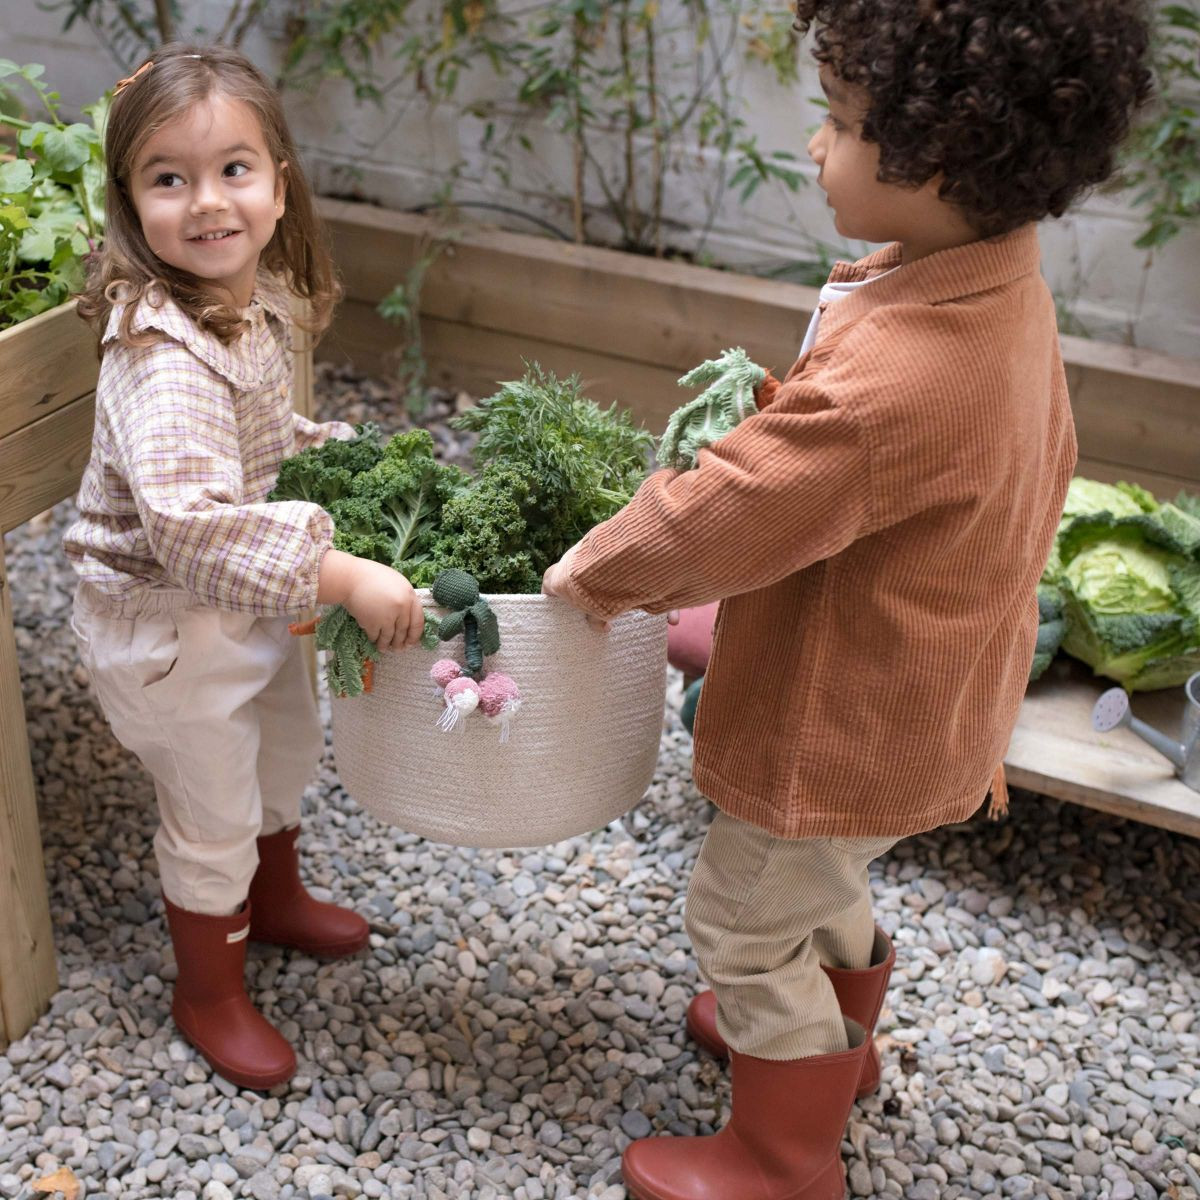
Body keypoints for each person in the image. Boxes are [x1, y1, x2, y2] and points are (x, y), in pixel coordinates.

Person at [542, 1, 1153, 1196]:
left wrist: (597, 571)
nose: (817, 146)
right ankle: (830, 1045)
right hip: (926, 699)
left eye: (842, 120)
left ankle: (784, 1153)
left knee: (743, 917)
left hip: (841, 716)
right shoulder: (995, 291)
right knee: (821, 881)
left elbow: (739, 505)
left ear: (942, 154)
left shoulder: (901, 377)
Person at [64, 44, 425, 1091]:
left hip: (240, 602)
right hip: (169, 628)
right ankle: (209, 990)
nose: (208, 201)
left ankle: (274, 900)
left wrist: (328, 453)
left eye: (234, 169)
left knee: (281, 746)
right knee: (211, 804)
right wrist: (342, 571)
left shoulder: (241, 300)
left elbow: (252, 441)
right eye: (168, 178)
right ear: (131, 202)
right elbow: (192, 524)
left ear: (278, 186)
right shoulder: (160, 356)